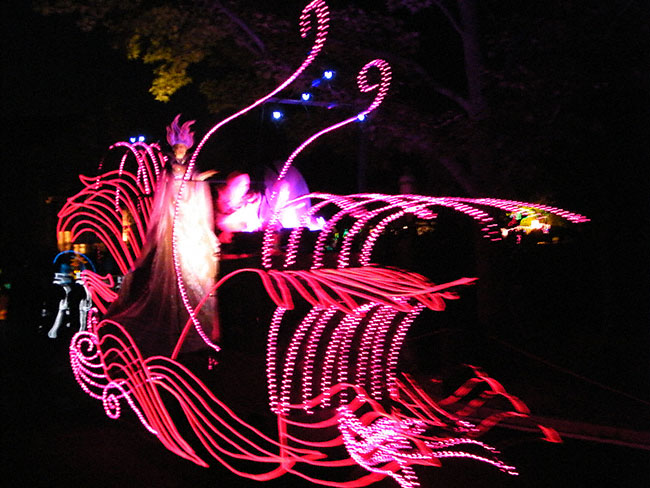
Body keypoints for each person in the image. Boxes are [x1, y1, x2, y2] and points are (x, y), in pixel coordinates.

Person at [105, 114, 220, 358]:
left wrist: (196, 184)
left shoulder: (194, 173)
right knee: (174, 277)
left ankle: (197, 326)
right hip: (176, 231)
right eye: (176, 147)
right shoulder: (168, 175)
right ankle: (176, 325)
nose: (179, 151)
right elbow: (164, 204)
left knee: (197, 278)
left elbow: (199, 203)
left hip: (193, 230)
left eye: (182, 147)